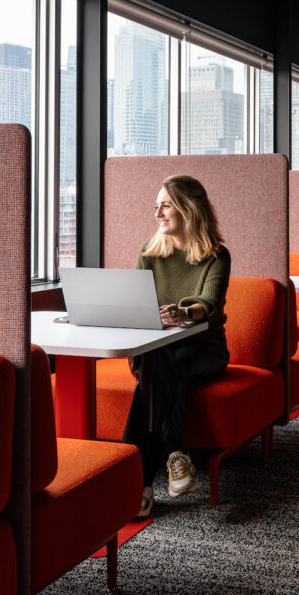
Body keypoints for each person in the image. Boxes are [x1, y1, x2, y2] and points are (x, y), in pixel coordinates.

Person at [123, 174, 230, 518]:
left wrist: (182, 312)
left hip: (203, 350)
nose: (157, 214)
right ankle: (175, 455)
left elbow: (209, 303)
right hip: (154, 349)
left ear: (189, 209)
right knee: (158, 357)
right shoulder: (150, 251)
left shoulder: (216, 256)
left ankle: (135, 487)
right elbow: (134, 300)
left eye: (165, 205)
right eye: (156, 206)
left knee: (157, 374)